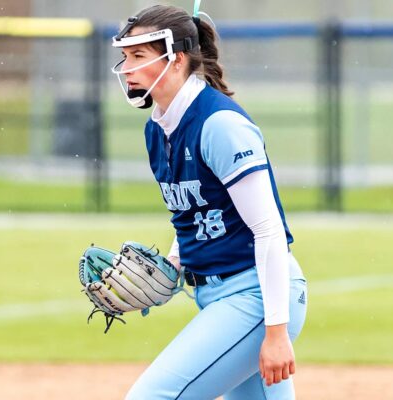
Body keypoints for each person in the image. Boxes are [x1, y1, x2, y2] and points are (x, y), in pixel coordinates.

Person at [111, 4, 307, 399]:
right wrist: (171, 265)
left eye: (138, 56)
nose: (126, 68)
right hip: (219, 296)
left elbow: (268, 229)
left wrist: (276, 331)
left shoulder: (219, 124)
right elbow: (195, 214)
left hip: (255, 298)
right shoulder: (158, 128)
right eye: (125, 56)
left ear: (177, 59)